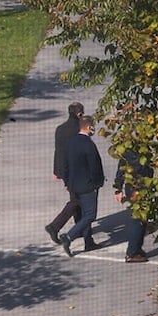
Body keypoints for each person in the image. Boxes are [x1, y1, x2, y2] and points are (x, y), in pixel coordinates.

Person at [45, 102, 94, 248]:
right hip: (79, 173)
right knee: (78, 202)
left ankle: (78, 230)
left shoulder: (60, 129)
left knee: (76, 200)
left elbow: (58, 151)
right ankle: (55, 226)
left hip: (65, 171)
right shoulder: (78, 129)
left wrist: (57, 171)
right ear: (79, 114)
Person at [58, 115, 104, 257]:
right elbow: (95, 167)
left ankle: (88, 241)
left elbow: (65, 164)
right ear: (89, 127)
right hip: (87, 185)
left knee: (83, 213)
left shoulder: (70, 142)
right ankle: (69, 236)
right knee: (90, 215)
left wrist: (66, 181)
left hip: (73, 185)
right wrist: (98, 182)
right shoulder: (89, 145)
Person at [113, 149, 154, 263]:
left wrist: (118, 187)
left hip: (133, 185)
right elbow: (124, 167)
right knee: (138, 219)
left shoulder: (128, 148)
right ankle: (132, 252)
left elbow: (121, 167)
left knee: (142, 219)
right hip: (138, 185)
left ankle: (137, 248)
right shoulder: (139, 151)